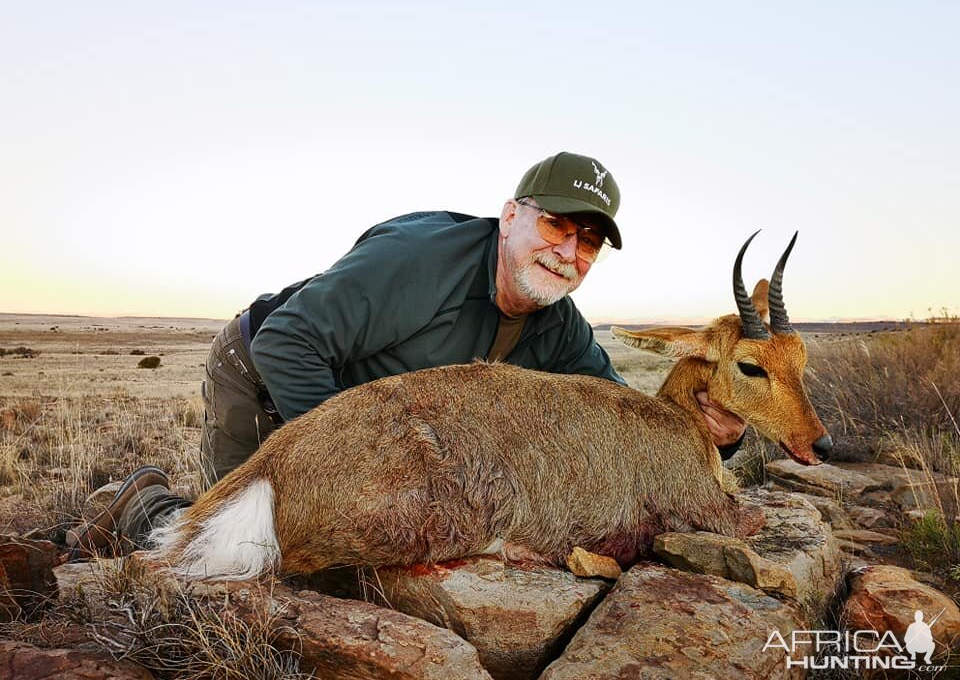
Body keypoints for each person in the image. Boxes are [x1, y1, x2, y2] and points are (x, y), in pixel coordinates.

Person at [66, 151, 746, 560]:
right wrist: (343, 465)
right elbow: (287, 340)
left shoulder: (559, 326)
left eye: (589, 243)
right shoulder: (422, 259)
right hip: (267, 374)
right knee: (242, 547)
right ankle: (145, 506)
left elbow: (626, 418)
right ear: (511, 215)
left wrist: (714, 427)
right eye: (557, 226)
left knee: (358, 550)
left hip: (359, 428)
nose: (569, 253)